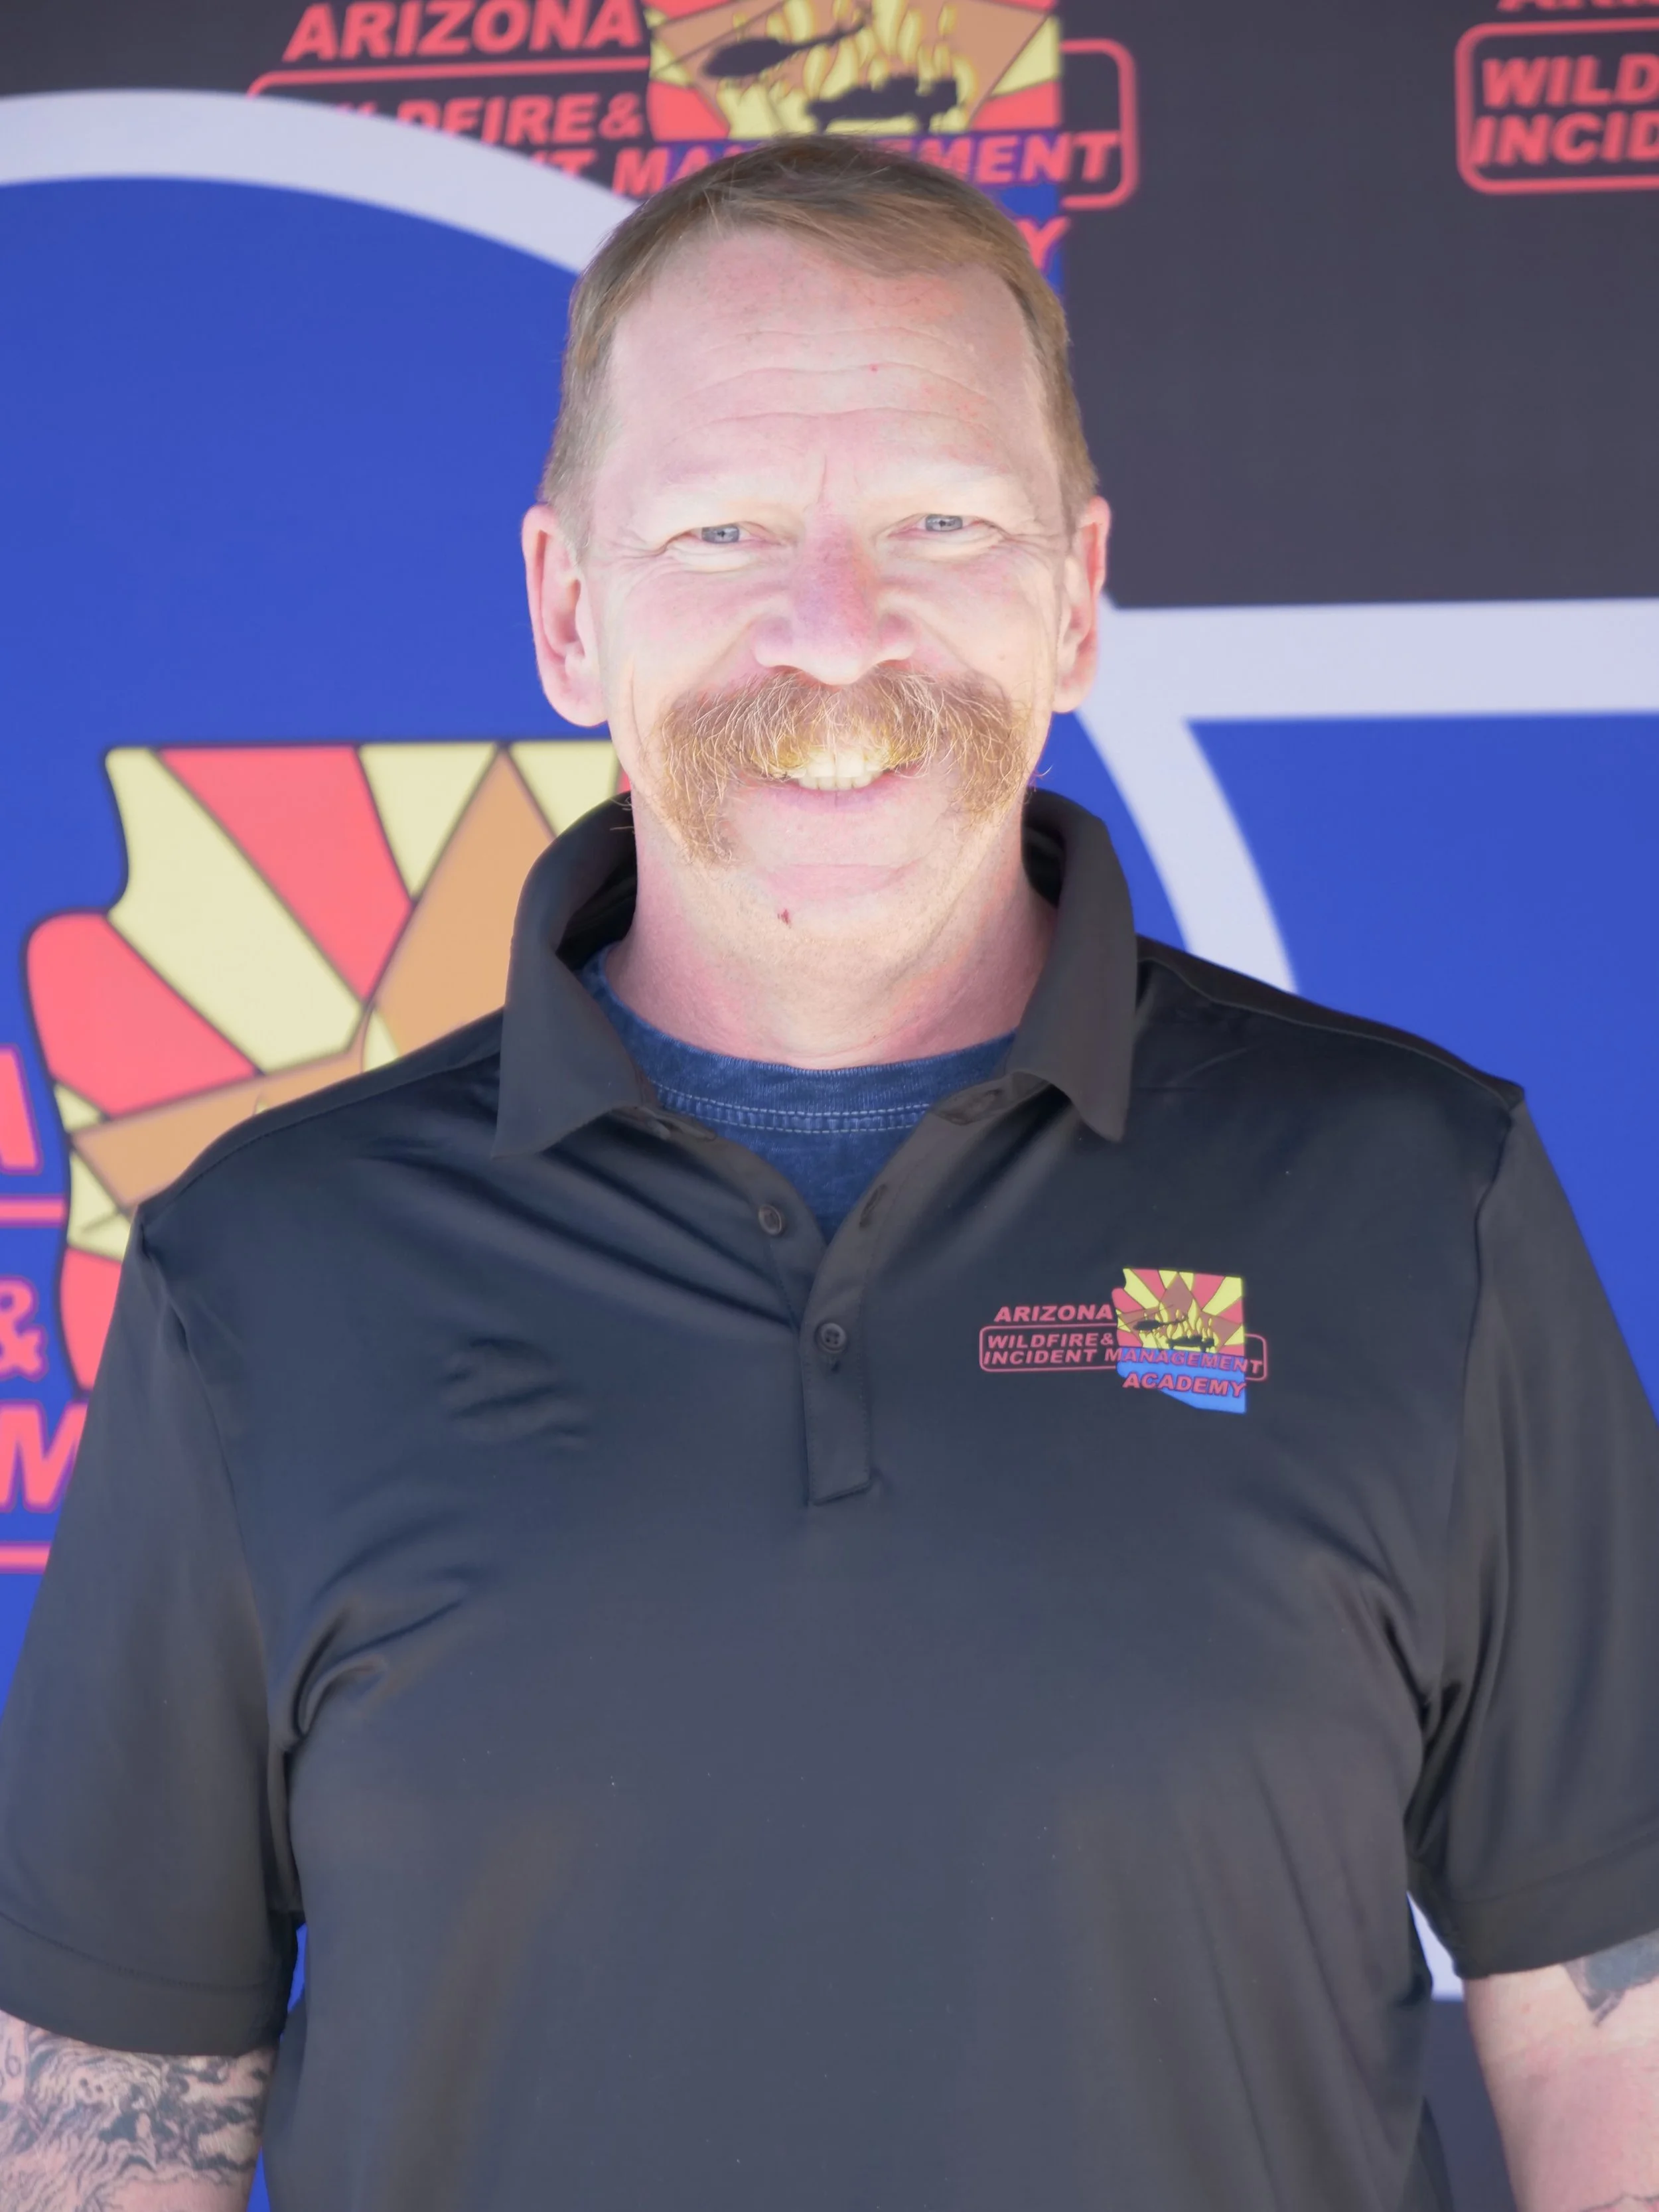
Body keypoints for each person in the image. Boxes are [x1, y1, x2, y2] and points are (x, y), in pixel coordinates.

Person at [0, 137, 1656, 2212]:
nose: (836, 632)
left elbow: (1613, 2017)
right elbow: (103, 2098)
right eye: (722, 531)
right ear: (567, 611)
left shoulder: (1415, 1202)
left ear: (1073, 595)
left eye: (939, 522)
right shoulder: (266, 1274)